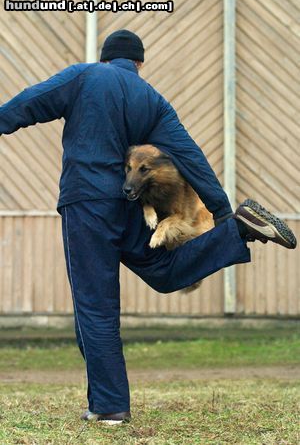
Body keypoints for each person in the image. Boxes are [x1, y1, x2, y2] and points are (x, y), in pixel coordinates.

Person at [0, 30, 296, 425]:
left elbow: (27, 104)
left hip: (87, 203)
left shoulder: (84, 76)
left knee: (95, 304)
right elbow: (191, 157)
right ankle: (238, 230)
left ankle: (108, 406)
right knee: (164, 272)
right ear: (139, 63)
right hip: (131, 203)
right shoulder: (152, 99)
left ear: (105, 58)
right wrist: (222, 212)